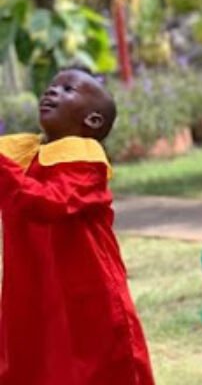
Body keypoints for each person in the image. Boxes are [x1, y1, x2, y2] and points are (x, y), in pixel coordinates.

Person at [0, 67, 154, 384]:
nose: (52, 91)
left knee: (97, 364)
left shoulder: (85, 159)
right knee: (38, 360)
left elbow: (47, 203)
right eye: (51, 85)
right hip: (35, 289)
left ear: (92, 121)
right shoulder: (24, 156)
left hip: (86, 290)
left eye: (68, 89)